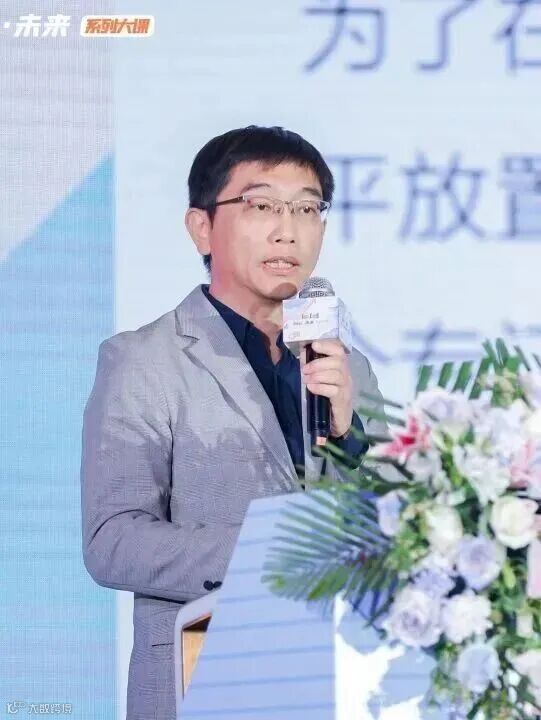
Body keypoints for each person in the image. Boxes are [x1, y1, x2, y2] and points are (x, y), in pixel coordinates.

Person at [80, 125, 386, 720]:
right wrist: (273, 553)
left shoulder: (347, 369)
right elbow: (112, 542)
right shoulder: (143, 359)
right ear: (202, 227)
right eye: (262, 206)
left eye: (307, 209)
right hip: (205, 677)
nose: (288, 229)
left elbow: (391, 530)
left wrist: (349, 437)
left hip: (340, 681)